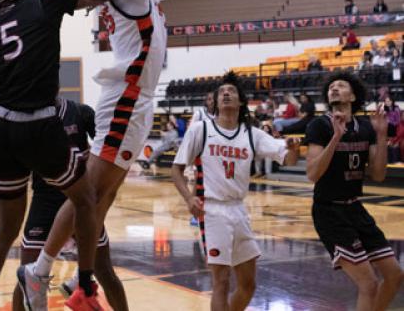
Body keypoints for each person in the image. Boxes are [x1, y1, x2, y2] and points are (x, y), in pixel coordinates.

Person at [18, 0, 168, 311]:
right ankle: (41, 269)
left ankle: (80, 284)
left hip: (133, 98)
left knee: (103, 198)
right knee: (87, 194)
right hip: (127, 98)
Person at [0, 0, 135, 311]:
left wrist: (5, 69)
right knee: (85, 198)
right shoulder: (41, 3)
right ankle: (84, 283)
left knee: (4, 229)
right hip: (37, 126)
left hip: (0, 128)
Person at [171, 71, 299, 311]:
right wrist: (189, 198)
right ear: (216, 101)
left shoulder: (252, 134)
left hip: (240, 210)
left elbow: (289, 160)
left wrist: (293, 148)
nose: (226, 93)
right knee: (220, 281)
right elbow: (176, 170)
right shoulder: (201, 130)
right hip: (212, 210)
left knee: (248, 285)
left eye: (231, 91)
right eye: (222, 92)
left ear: (241, 101)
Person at [305, 71, 403, 311]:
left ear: (353, 96)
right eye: (331, 87)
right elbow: (312, 174)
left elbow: (378, 175)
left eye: (341, 85)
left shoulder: (366, 128)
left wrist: (381, 136)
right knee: (368, 284)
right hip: (329, 211)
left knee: (395, 275)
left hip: (355, 209)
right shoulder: (320, 125)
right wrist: (335, 138)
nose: (334, 88)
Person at [12, 97, 107, 310]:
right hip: (45, 199)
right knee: (26, 277)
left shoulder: (81, 113)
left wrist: (86, 164)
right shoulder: (28, 117)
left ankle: (78, 282)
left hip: (78, 198)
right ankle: (75, 283)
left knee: (104, 269)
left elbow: (103, 152)